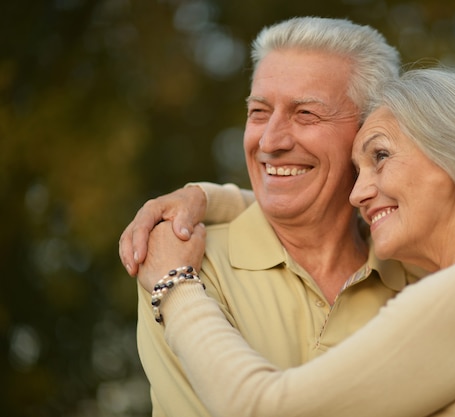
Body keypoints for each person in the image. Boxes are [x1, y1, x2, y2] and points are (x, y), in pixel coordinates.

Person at [136, 67, 455, 417]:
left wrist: (175, 285)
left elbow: (264, 409)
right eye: (358, 170)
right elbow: (319, 215)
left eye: (380, 156)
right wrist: (208, 199)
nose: (358, 192)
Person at [124, 17, 425, 416]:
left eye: (305, 114)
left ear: (370, 131)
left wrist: (209, 196)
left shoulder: (421, 283)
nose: (270, 142)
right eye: (260, 112)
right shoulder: (182, 266)